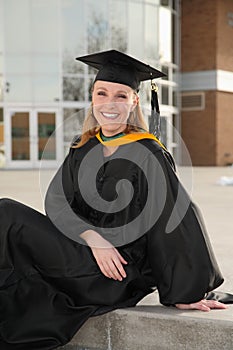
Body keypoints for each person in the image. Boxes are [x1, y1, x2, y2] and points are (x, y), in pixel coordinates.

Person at [0, 50, 232, 350]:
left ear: (134, 101)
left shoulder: (148, 154)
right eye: (102, 92)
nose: (110, 102)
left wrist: (186, 291)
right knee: (6, 213)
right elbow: (57, 201)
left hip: (114, 274)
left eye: (121, 95)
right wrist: (93, 238)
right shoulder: (83, 147)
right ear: (92, 97)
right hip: (83, 254)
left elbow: (175, 217)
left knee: (5, 211)